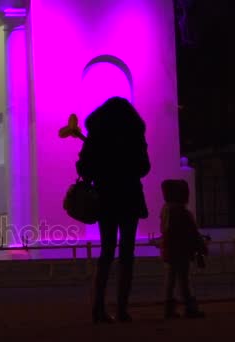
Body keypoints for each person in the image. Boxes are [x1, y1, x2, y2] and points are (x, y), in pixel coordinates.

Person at [76, 97, 150, 323]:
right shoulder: (134, 134)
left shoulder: (97, 135)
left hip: (105, 197)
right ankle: (122, 309)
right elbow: (144, 166)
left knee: (106, 252)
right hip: (129, 196)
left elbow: (83, 166)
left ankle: (98, 308)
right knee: (127, 254)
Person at [159, 179, 206, 319]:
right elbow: (192, 232)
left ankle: (169, 309)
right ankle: (190, 308)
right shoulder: (183, 212)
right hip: (182, 252)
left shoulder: (166, 211)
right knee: (184, 280)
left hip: (169, 251)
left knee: (170, 280)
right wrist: (200, 247)